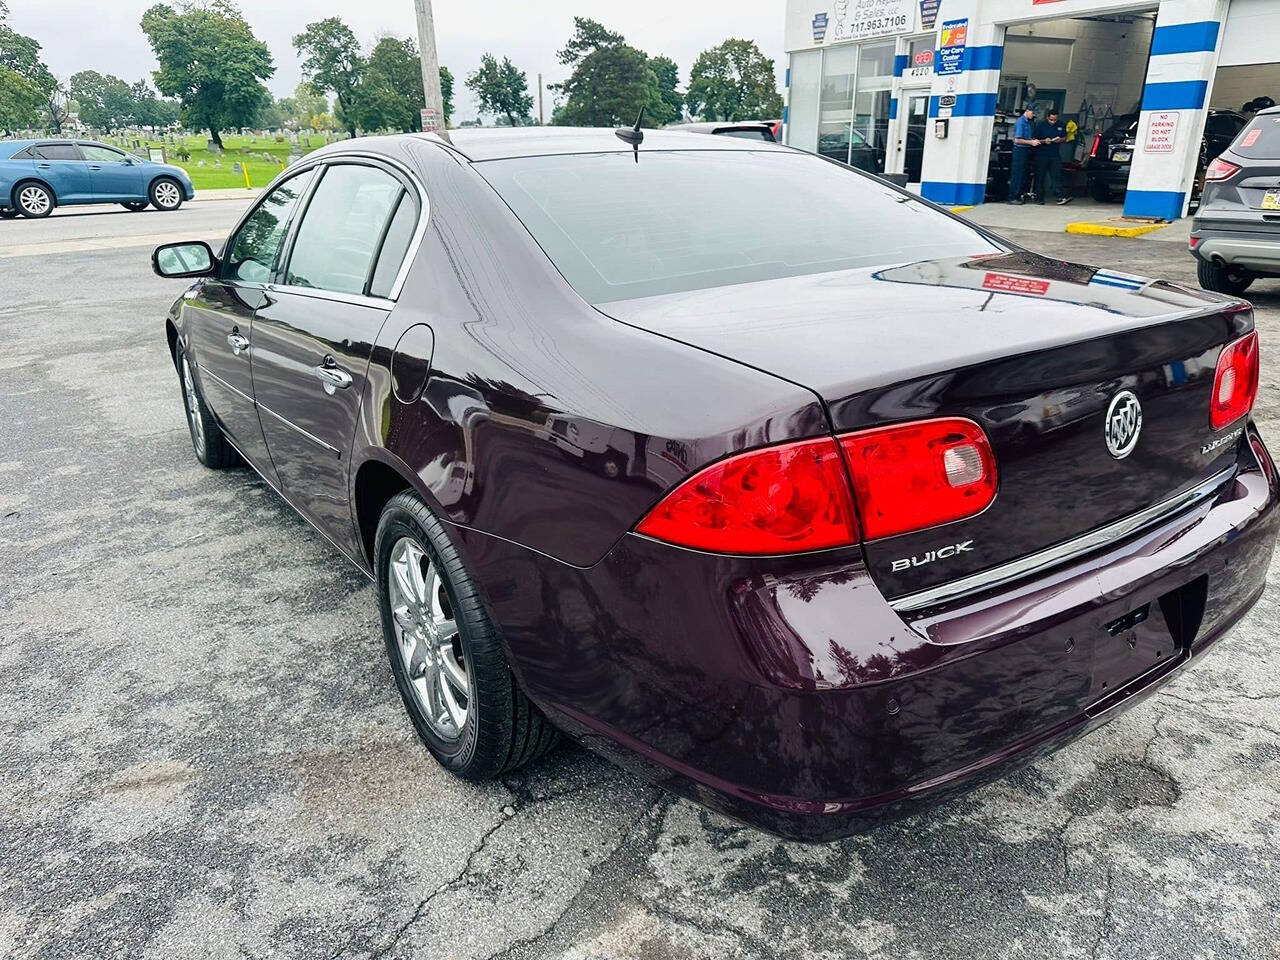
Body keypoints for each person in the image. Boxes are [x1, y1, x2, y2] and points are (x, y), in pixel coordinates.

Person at [1034, 109, 1071, 205]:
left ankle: (1060, 196)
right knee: (1040, 176)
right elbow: (1034, 139)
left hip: (1054, 154)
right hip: (1041, 154)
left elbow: (1065, 138)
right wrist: (1043, 141)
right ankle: (1039, 198)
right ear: (1047, 117)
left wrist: (1060, 139)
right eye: (1051, 119)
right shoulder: (1041, 125)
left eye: (1055, 120)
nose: (1053, 121)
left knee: (1056, 175)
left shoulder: (1061, 125)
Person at [1007, 103, 1039, 205]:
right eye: (1033, 113)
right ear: (1028, 111)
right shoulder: (1021, 122)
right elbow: (1018, 140)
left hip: (1025, 151)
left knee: (1022, 175)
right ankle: (1013, 197)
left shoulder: (1028, 123)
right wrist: (1031, 142)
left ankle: (1018, 195)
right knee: (1017, 175)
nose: (1033, 115)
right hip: (1019, 151)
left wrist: (1033, 140)